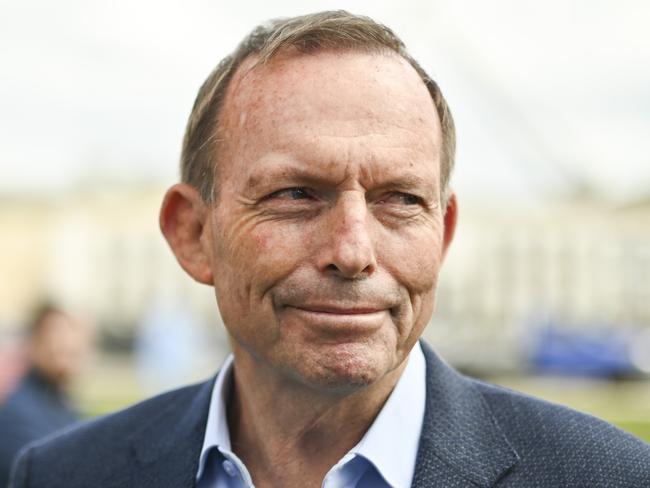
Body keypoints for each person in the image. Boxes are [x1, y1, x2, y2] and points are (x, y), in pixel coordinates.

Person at [10, 10, 650, 488]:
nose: (353, 250)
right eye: (295, 194)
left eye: (400, 199)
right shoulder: (65, 473)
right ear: (193, 233)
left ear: (444, 234)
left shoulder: (610, 477)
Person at [0, 303, 86, 486]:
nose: (64, 347)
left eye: (70, 350)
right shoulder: (17, 413)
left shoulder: (60, 401)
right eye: (56, 343)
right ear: (33, 344)